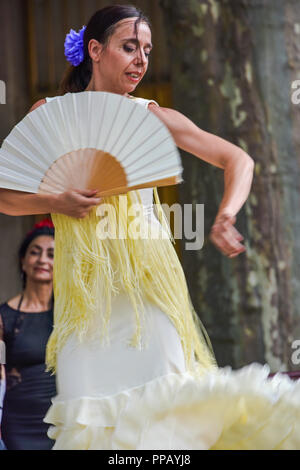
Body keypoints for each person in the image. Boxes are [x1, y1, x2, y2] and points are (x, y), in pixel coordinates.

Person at [0, 4, 299, 450]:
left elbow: (238, 159)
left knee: (168, 414)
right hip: (85, 303)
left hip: (149, 294)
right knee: (90, 418)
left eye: (147, 49)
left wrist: (225, 215)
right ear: (95, 50)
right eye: (129, 47)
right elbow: (6, 195)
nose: (141, 59)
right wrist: (53, 201)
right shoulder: (51, 113)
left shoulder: (151, 115)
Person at [0, 219, 57, 450]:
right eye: (35, 252)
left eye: (52, 254)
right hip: (19, 426)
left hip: (65, 422)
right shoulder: (4, 316)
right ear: (23, 262)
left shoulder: (72, 316)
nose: (43, 259)